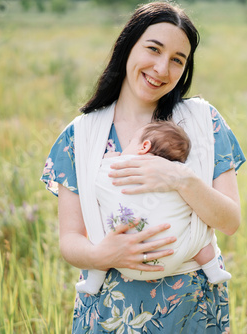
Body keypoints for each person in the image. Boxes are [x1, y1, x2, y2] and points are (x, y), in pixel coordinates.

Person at [41, 2, 245, 332]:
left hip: (192, 306)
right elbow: (70, 240)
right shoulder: (79, 137)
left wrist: (181, 178)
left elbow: (231, 221)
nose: (162, 69)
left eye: (177, 60)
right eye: (153, 49)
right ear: (128, 47)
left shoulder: (205, 124)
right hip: (110, 308)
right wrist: (103, 255)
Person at [75, 121, 231, 295]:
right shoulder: (182, 171)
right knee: (201, 240)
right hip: (174, 253)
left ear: (144, 146)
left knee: (100, 239)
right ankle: (213, 271)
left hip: (118, 257)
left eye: (131, 143)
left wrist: (109, 158)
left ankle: (93, 283)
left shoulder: (118, 164)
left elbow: (96, 179)